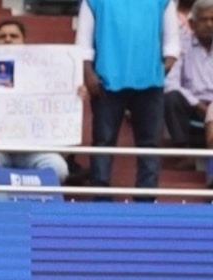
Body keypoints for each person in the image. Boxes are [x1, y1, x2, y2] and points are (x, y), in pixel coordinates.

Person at [79, 0, 178, 195]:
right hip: (106, 80)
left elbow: (172, 44)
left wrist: (157, 71)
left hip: (150, 82)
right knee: (103, 140)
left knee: (150, 142)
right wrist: (88, 73)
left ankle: (146, 195)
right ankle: (100, 192)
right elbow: (83, 40)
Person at [0, 20, 69, 182]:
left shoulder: (43, 71)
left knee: (58, 168)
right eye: (2, 36)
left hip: (34, 149)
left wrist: (74, 93)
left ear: (24, 41)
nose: (8, 40)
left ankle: (41, 206)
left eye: (14, 36)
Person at [164, 0, 213, 174]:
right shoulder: (181, 45)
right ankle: (185, 152)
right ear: (192, 23)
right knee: (170, 96)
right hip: (193, 105)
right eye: (204, 20)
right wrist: (198, 105)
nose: (209, 24)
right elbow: (171, 83)